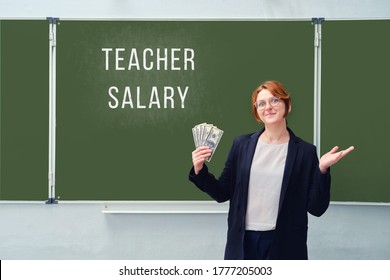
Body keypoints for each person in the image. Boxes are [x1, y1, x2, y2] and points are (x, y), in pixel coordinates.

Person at [189, 80, 354, 260]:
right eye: (261, 103)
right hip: (243, 242)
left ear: (287, 105)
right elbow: (222, 193)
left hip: (286, 244)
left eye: (274, 100)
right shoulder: (241, 145)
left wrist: (322, 170)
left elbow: (316, 208)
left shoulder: (305, 152)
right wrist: (200, 171)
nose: (268, 107)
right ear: (257, 112)